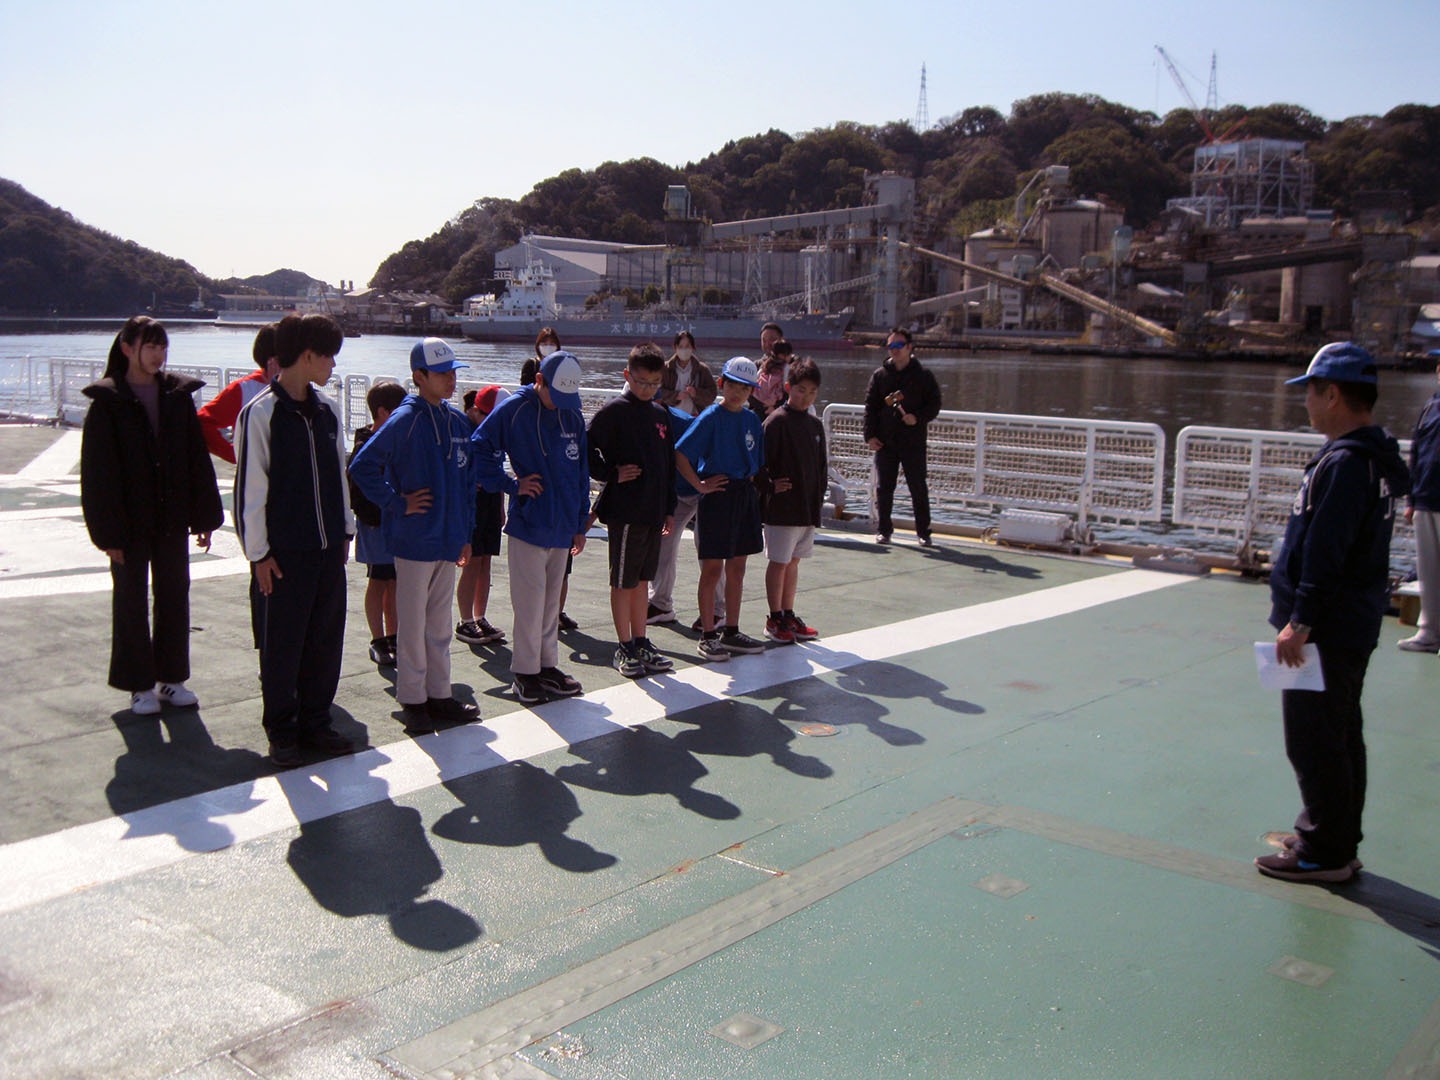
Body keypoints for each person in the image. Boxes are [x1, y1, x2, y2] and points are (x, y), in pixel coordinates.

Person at [1256, 342, 1409, 885]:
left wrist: (1300, 622)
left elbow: (1326, 550)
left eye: (1311, 393)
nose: (1306, 404)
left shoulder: (1345, 464)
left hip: (1325, 628)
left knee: (1313, 738)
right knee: (1341, 733)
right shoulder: (1372, 460)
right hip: (1351, 622)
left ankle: (1322, 851)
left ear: (1333, 395)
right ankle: (1337, 837)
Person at [81, 316, 224, 716]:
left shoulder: (177, 395)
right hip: (128, 522)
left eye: (163, 347)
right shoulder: (108, 401)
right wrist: (107, 534)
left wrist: (204, 518)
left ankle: (171, 679)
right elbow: (98, 473)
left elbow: (196, 458)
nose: (159, 355)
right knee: (130, 600)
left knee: (175, 594)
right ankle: (138, 685)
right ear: (128, 348)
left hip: (171, 515)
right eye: (150, 346)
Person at [234, 313, 357, 765]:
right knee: (282, 644)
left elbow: (339, 476)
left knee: (325, 639)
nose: (332, 366)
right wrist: (258, 554)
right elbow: (251, 490)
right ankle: (282, 729)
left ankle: (316, 721)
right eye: (329, 356)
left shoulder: (328, 410)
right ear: (307, 356)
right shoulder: (261, 413)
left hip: (327, 549)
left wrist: (345, 530)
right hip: (283, 554)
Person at [349, 339, 481, 731]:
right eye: (441, 374)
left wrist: (465, 533)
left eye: (452, 373)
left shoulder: (456, 422)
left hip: (447, 539)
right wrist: (396, 502)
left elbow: (468, 483)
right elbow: (362, 466)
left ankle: (439, 694)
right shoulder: (404, 420)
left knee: (439, 624)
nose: (450, 380)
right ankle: (412, 699)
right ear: (419, 376)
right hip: (414, 541)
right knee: (411, 624)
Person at [472, 349, 591, 704]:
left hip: (562, 524)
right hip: (529, 524)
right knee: (530, 603)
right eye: (556, 394)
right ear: (539, 381)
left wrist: (580, 522)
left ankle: (547, 665)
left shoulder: (571, 412)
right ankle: (525, 673)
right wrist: (510, 484)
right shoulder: (516, 409)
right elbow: (479, 448)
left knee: (551, 602)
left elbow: (580, 470)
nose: (560, 404)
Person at [588, 343, 677, 678]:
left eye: (654, 383)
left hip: (653, 511)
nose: (647, 389)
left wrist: (669, 508)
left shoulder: (660, 414)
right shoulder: (615, 411)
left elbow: (668, 464)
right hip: (626, 511)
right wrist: (611, 473)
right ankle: (624, 644)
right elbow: (586, 446)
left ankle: (641, 640)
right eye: (641, 382)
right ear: (627, 376)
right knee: (623, 581)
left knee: (642, 580)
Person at [674, 356, 768, 662]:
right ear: (721, 384)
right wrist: (700, 486)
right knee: (713, 568)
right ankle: (708, 635)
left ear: (752, 391)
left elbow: (757, 461)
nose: (739, 392)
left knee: (738, 567)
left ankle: (731, 630)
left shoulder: (752, 420)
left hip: (743, 495)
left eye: (746, 388)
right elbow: (681, 454)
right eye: (734, 385)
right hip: (717, 495)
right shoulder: (711, 417)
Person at [757, 356, 826, 644]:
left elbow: (821, 467)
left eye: (811, 392)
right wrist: (769, 486)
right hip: (782, 508)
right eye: (800, 390)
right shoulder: (775, 422)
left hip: (805, 507)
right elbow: (758, 463)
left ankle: (788, 612)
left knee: (794, 561)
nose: (805, 397)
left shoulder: (815, 425)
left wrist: (817, 501)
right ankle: (774, 617)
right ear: (788, 388)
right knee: (779, 561)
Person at [646, 403, 727, 629]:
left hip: (705, 489)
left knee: (707, 548)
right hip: (676, 493)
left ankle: (718, 610)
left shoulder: (685, 423)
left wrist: (701, 485)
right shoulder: (634, 419)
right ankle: (660, 604)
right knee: (663, 541)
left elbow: (705, 451)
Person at [864, 327, 942, 546]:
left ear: (909, 347)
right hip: (886, 441)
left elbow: (934, 404)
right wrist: (870, 435)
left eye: (898, 345)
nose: (894, 349)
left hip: (913, 441)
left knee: (917, 487)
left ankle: (924, 532)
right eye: (890, 345)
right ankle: (884, 530)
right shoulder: (880, 376)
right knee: (884, 488)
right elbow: (870, 407)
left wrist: (917, 417)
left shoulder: (923, 376)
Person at [349, 379, 406, 668]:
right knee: (378, 579)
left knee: (394, 580)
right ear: (383, 412)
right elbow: (357, 488)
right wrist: (373, 517)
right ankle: (378, 639)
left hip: (396, 523)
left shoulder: (396, 441)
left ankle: (394, 636)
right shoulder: (365, 445)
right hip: (375, 524)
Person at [455, 385, 509, 647]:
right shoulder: (462, 430)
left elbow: (498, 467)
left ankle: (480, 616)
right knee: (473, 560)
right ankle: (465, 620)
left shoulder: (495, 432)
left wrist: (500, 505)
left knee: (486, 560)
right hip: (471, 502)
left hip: (490, 498)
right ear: (476, 411)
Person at [1398, 355, 1440, 652]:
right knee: (1429, 571)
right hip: (1426, 497)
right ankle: (1429, 632)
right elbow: (1416, 451)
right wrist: (1411, 498)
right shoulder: (1430, 407)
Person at [197, 323, 279, 463]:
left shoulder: (302, 388)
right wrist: (236, 455)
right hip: (257, 474)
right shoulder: (243, 389)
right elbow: (203, 423)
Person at [659, 330, 716, 416]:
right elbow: (657, 392)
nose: (684, 350)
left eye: (687, 346)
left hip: (694, 417)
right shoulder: (665, 369)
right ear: (675, 348)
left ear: (693, 347)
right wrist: (675, 396)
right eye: (680, 346)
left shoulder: (702, 370)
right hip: (669, 416)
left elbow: (712, 394)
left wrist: (696, 393)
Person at [751, 338, 793, 419]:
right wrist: (776, 406)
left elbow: (757, 377)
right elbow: (785, 386)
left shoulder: (766, 363)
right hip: (773, 399)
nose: (790, 357)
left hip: (759, 396)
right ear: (783, 355)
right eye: (789, 354)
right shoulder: (786, 367)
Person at [519, 325, 561, 391]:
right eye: (544, 344)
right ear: (538, 346)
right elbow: (525, 388)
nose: (548, 347)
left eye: (552, 344)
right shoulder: (531, 364)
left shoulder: (561, 365)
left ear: (557, 347)